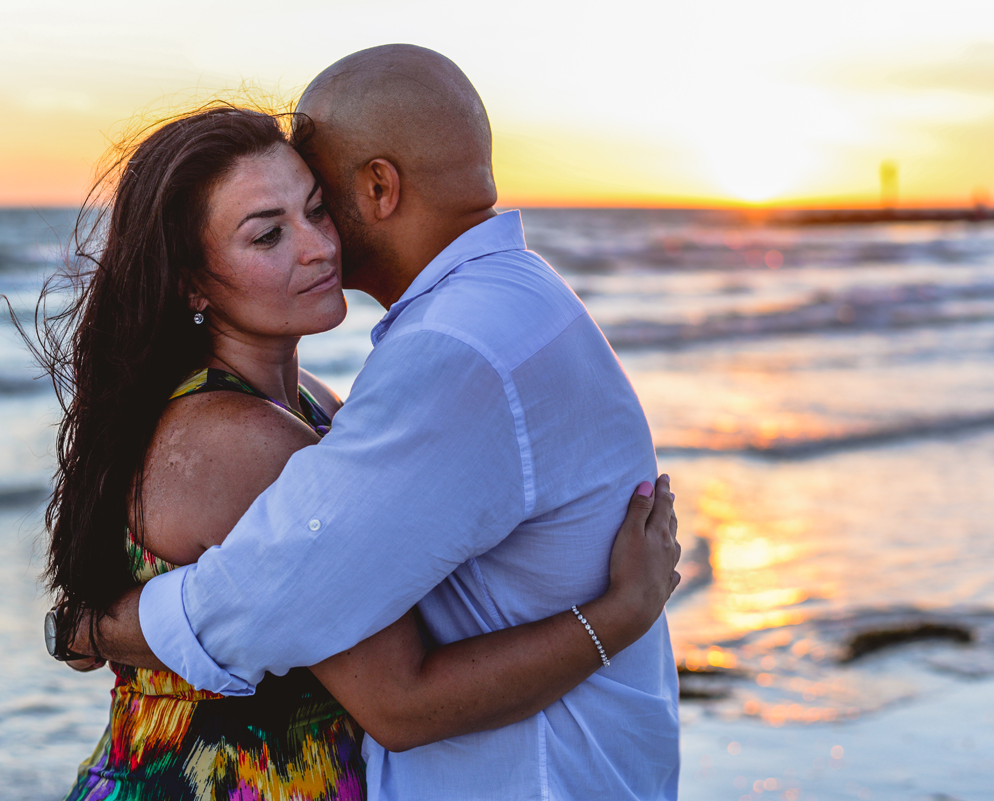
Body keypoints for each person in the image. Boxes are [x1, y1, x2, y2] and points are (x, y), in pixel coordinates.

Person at [57, 45, 682, 800]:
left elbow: (279, 606)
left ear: (377, 187)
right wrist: (615, 618)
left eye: (316, 207)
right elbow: (390, 692)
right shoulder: (247, 437)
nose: (319, 245)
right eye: (267, 233)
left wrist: (98, 628)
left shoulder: (360, 388)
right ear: (192, 280)